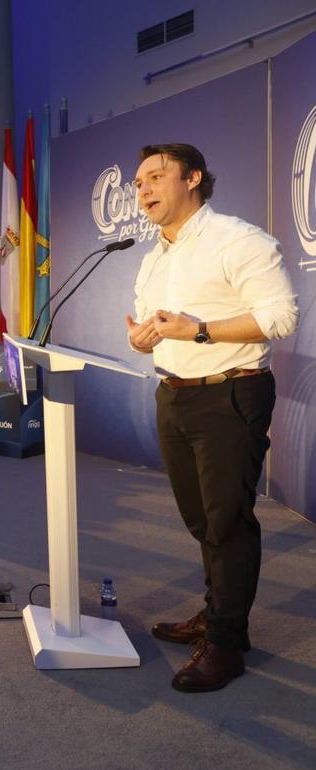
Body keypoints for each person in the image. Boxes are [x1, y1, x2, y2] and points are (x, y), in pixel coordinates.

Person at [124, 143, 298, 693]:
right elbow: (155, 330)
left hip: (231, 394)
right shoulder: (154, 257)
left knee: (226, 524)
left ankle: (225, 644)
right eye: (138, 183)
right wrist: (140, 339)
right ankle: (218, 614)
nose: (143, 189)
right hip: (173, 394)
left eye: (155, 176)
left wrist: (199, 329)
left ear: (192, 178)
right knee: (201, 521)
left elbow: (281, 317)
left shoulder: (238, 240)